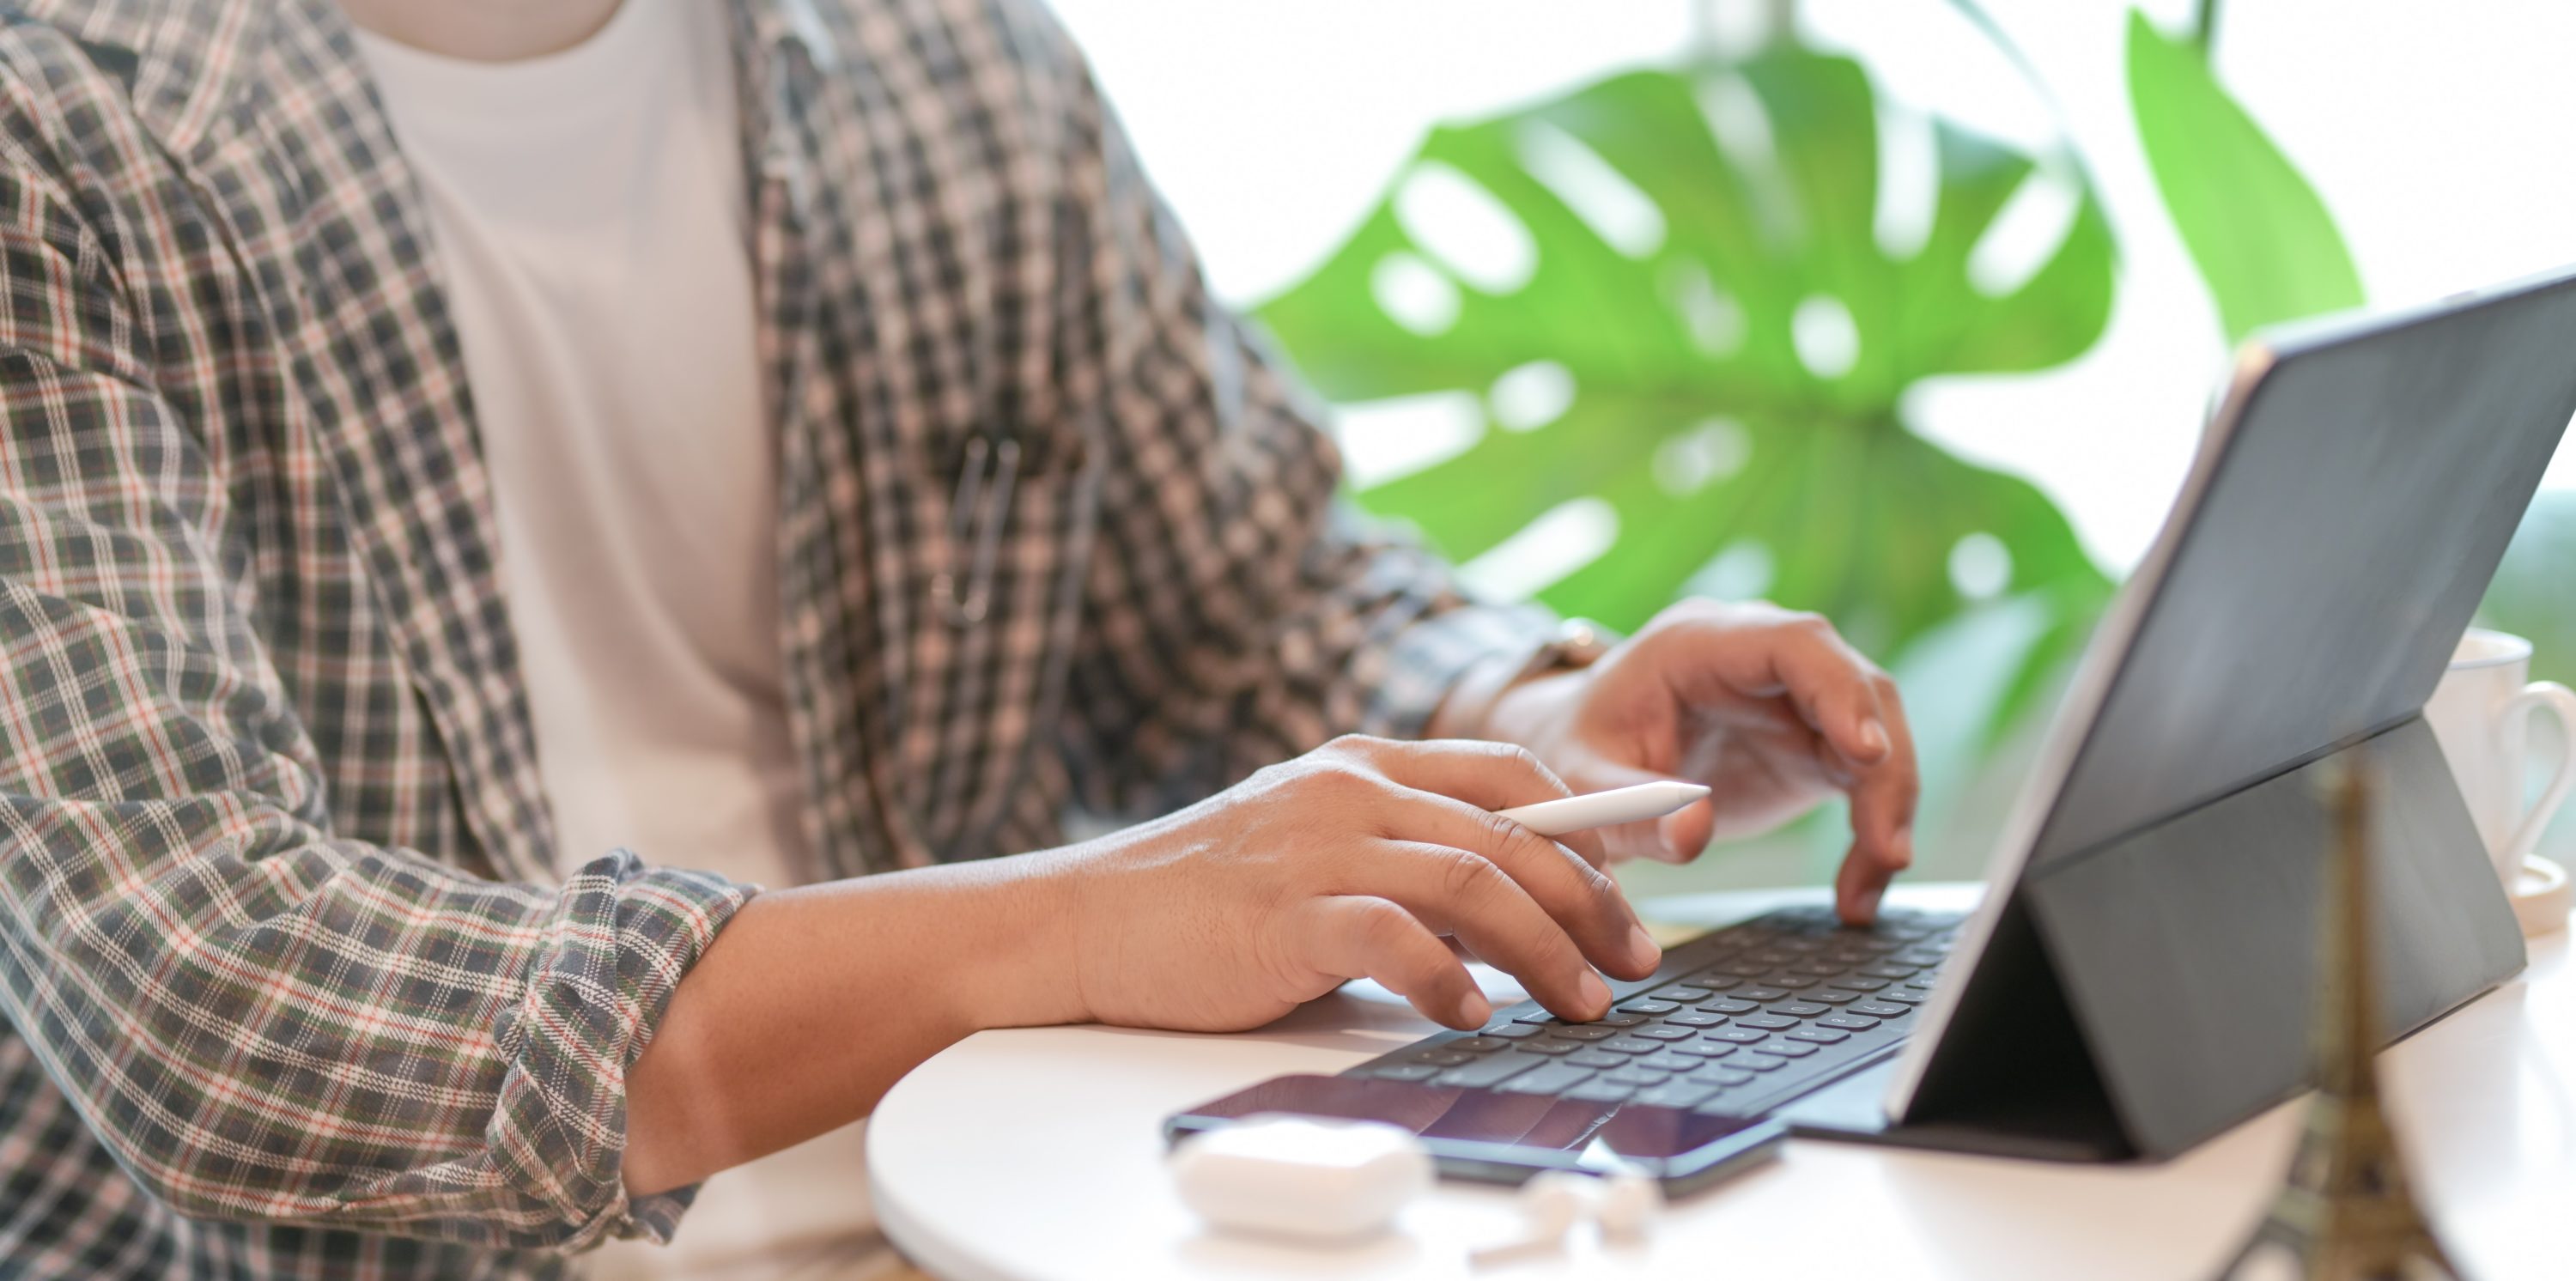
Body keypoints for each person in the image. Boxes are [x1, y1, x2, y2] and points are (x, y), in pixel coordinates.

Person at [0, 0, 1919, 1276]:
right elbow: (209, 994)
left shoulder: (951, 58)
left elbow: (1247, 602)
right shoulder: (55, 123)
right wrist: (1090, 918)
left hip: (1013, 1220)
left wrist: (1537, 722)